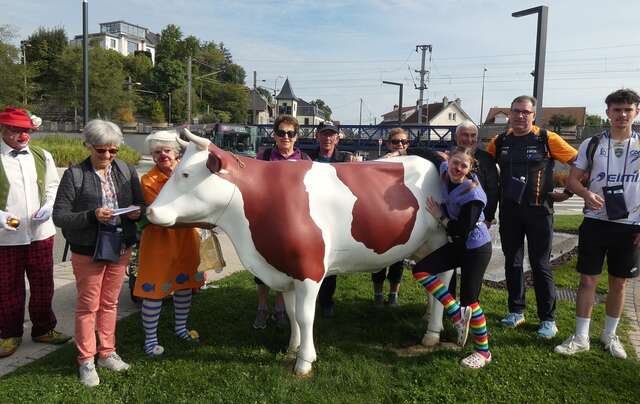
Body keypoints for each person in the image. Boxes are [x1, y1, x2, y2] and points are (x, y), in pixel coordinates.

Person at [53, 119, 144, 387]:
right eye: (100, 150)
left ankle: (106, 352)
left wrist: (138, 212)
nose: (106, 155)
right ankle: (86, 360)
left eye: (112, 150)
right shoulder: (75, 174)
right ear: (89, 146)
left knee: (110, 303)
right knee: (88, 305)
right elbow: (61, 217)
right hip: (88, 250)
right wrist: (92, 216)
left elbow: (141, 203)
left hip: (120, 245)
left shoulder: (126, 170)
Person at [555, 88, 640, 360]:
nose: (622, 115)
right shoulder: (592, 143)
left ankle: (609, 334)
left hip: (630, 224)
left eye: (628, 109)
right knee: (588, 279)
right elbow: (572, 180)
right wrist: (585, 193)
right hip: (595, 221)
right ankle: (581, 337)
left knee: (619, 283)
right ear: (608, 113)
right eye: (616, 110)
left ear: (636, 112)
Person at [486, 95, 577, 338]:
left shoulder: (547, 138)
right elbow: (483, 166)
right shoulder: (500, 141)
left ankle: (548, 319)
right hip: (510, 212)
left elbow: (581, 162)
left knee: (540, 264)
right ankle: (516, 311)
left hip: (540, 212)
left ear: (533, 115)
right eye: (516, 111)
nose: (520, 116)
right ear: (511, 113)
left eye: (525, 112)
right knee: (512, 262)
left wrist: (568, 191)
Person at [412, 146, 493, 368]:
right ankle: (456, 313)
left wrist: (440, 216)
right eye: (454, 163)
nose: (457, 168)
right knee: (420, 270)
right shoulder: (446, 172)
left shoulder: (473, 195)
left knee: (471, 302)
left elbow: (460, 230)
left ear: (469, 169)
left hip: (475, 248)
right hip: (459, 246)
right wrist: (403, 150)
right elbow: (430, 154)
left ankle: (483, 352)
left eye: (463, 165)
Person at [0, 107, 71, 359]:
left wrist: (48, 207)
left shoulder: (42, 155)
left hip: (40, 233)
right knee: (8, 287)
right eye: (17, 130)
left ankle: (43, 328)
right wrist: (2, 218)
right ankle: (9, 333)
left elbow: (52, 185)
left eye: (26, 130)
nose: (23, 135)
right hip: (5, 237)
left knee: (43, 283)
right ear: (4, 130)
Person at [134, 130, 203, 356]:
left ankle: (180, 328)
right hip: (159, 241)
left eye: (167, 150)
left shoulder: (189, 173)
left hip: (186, 239)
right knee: (153, 291)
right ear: (152, 156)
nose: (163, 155)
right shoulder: (149, 180)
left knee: (184, 287)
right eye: (157, 152)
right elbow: (162, 212)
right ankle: (150, 340)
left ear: (176, 153)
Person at [253, 115, 311, 329]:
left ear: (296, 136)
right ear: (274, 135)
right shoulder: (265, 155)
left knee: (284, 269)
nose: (285, 137)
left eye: (290, 133)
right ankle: (262, 308)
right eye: (281, 132)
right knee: (262, 270)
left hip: (293, 222)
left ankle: (280, 310)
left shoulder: (304, 159)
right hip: (266, 220)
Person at [307, 120, 353, 317]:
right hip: (310, 212)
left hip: (336, 214)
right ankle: (308, 299)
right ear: (317, 137)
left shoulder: (345, 159)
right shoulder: (307, 158)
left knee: (330, 260)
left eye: (331, 134)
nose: (327, 138)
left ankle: (326, 301)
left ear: (337, 138)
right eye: (324, 134)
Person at [371, 128, 411, 307]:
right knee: (379, 258)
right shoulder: (382, 161)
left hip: (401, 215)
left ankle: (394, 294)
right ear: (388, 144)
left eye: (404, 142)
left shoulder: (413, 162)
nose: (400, 145)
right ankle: (378, 294)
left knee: (398, 259)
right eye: (396, 142)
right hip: (381, 214)